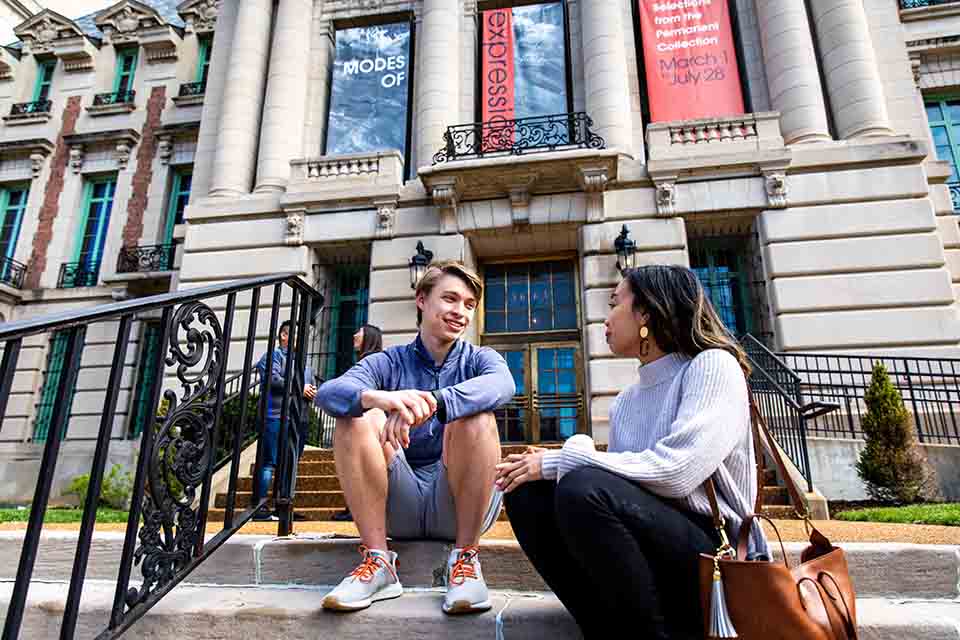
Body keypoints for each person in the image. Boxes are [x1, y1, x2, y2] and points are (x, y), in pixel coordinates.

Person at [495, 265, 770, 640]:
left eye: (614, 304)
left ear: (646, 314)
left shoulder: (711, 366)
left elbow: (678, 472)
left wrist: (561, 458)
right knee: (525, 492)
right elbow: (619, 485)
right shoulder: (626, 401)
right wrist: (570, 457)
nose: (604, 320)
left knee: (583, 487)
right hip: (645, 546)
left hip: (714, 556)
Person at [316, 261, 515, 615]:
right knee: (356, 418)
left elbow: (503, 385)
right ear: (422, 300)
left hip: (458, 506)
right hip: (397, 502)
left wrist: (437, 403)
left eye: (469, 305)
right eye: (450, 299)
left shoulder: (481, 359)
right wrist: (379, 399)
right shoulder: (387, 362)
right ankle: (379, 563)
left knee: (475, 417)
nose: (461, 312)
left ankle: (466, 561)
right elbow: (329, 393)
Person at [252, 320, 317, 522]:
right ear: (283, 335)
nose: (302, 339)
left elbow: (310, 387)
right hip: (275, 416)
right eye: (297, 334)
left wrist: (312, 392)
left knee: (290, 464)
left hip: (298, 420)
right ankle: (260, 508)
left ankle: (283, 507)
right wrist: (300, 388)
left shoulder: (305, 364)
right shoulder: (273, 357)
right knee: (269, 462)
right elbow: (273, 380)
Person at [331, 324, 384, 522]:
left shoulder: (372, 362)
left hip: (369, 422)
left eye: (359, 332)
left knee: (361, 467)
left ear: (368, 337)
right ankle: (354, 507)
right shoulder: (367, 361)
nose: (354, 335)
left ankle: (357, 508)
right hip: (366, 421)